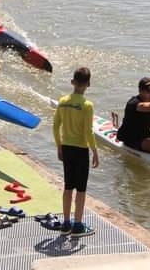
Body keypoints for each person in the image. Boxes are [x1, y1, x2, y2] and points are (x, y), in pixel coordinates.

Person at [52, 67, 99, 237]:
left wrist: (59, 145)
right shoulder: (87, 105)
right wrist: (95, 151)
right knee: (81, 189)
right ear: (88, 84)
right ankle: (78, 226)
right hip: (80, 149)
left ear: (72, 82)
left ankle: (65, 223)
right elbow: (88, 131)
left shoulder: (62, 101)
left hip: (66, 147)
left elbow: (56, 126)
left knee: (68, 186)